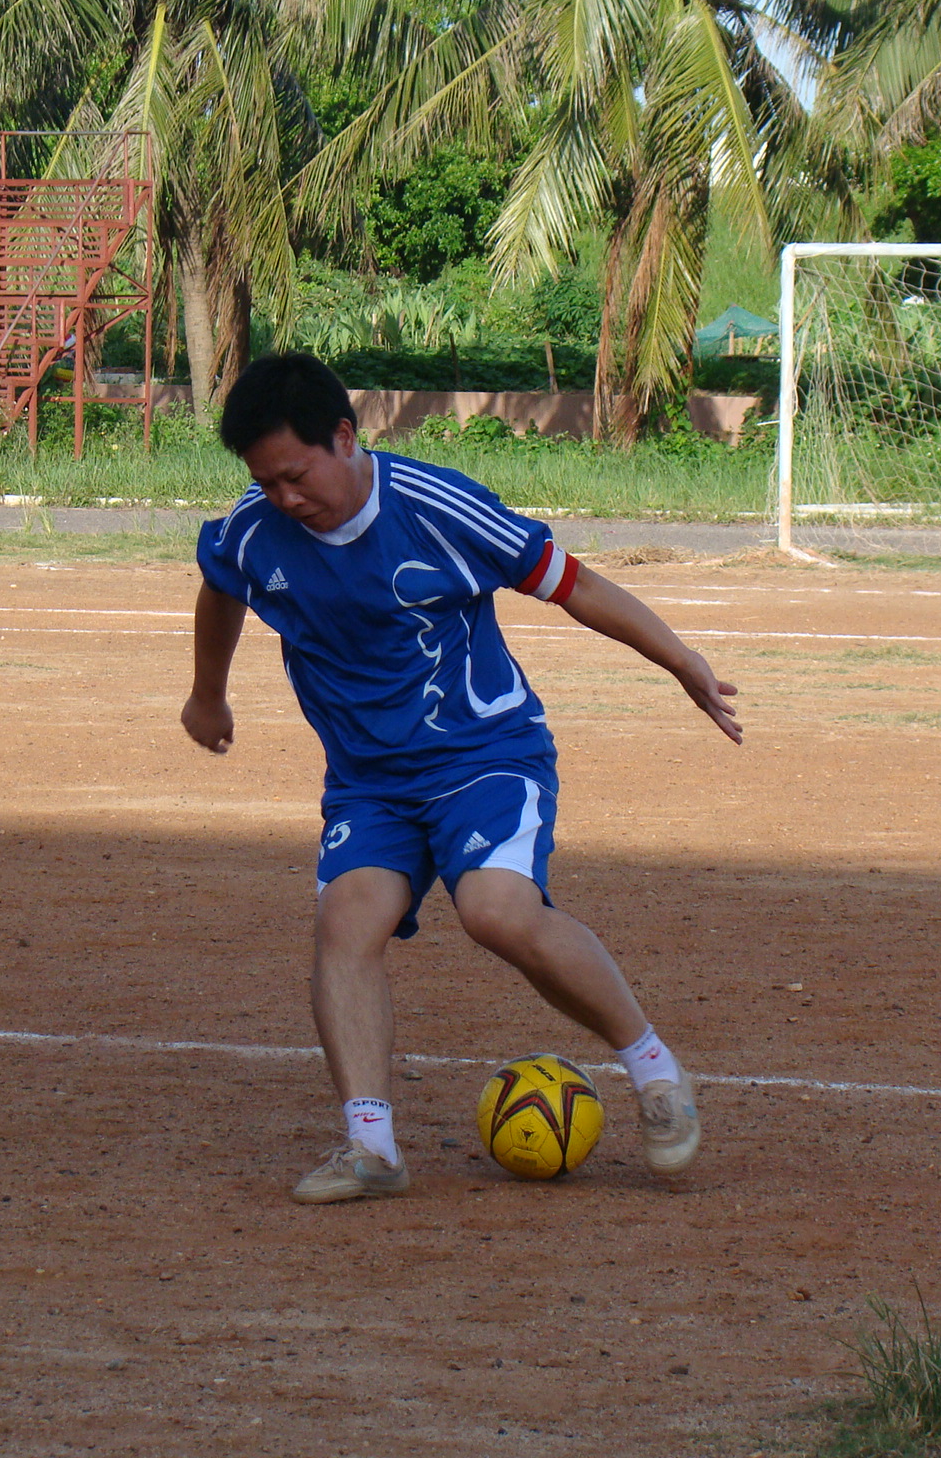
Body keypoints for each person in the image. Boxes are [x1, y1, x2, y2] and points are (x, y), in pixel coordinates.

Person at [181, 353, 740, 1204]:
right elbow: (222, 587)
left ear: (344, 437)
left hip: (484, 755)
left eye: (296, 475)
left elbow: (573, 584)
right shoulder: (255, 530)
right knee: (345, 924)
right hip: (369, 782)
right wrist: (207, 694)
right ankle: (372, 1148)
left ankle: (655, 1070)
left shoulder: (435, 507)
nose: (284, 498)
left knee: (495, 912)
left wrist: (682, 660)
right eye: (266, 483)